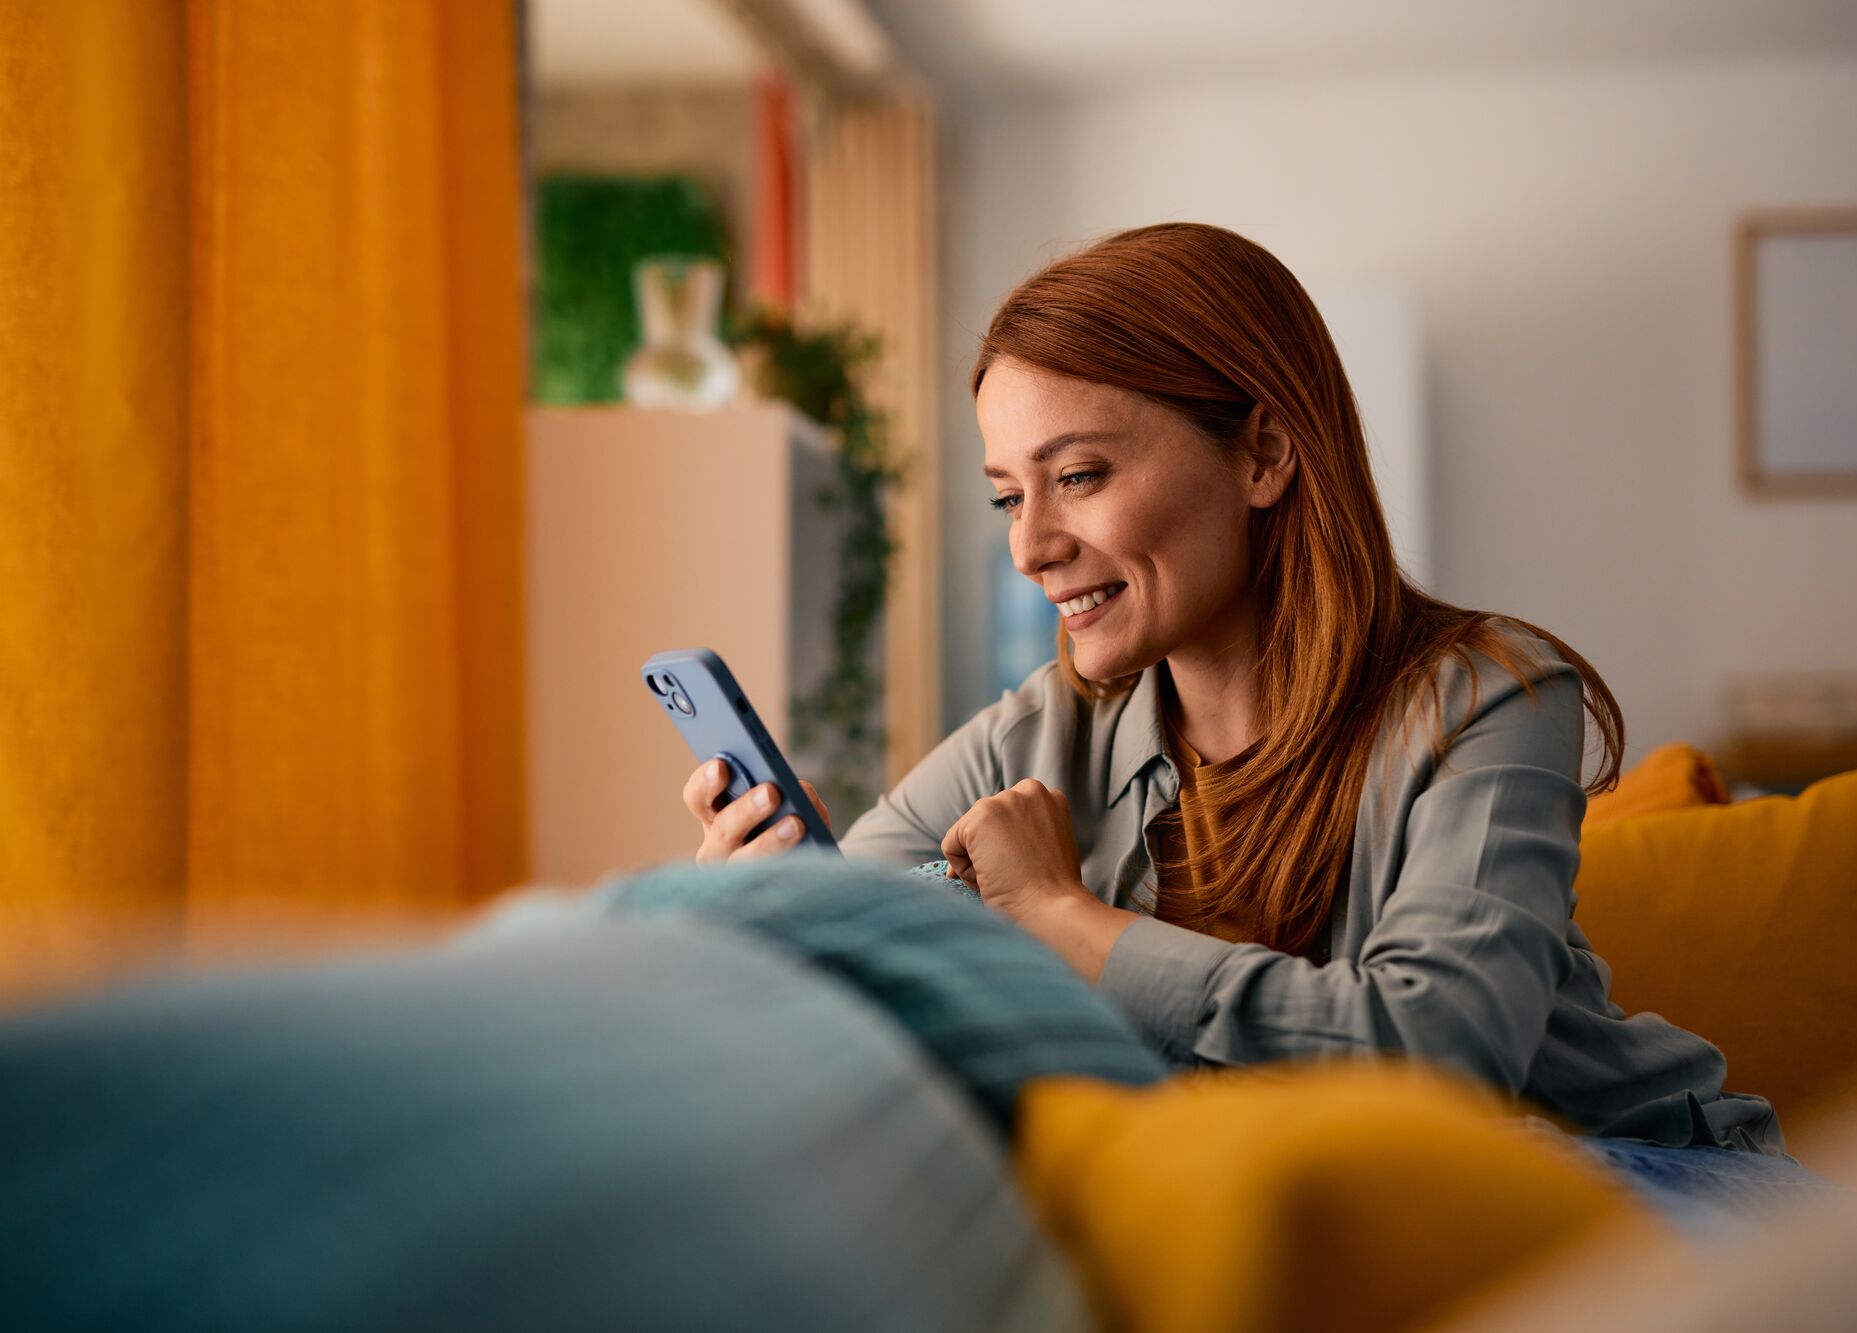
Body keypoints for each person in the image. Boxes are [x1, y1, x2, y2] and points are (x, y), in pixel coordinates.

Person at [682, 221, 1786, 1161]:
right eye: (1008, 496)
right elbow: (867, 951)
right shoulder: (1040, 730)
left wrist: (1067, 919)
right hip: (1309, 1221)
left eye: (1077, 476)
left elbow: (1440, 1056)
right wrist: (781, 913)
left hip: (1617, 1179)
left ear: (1262, 454)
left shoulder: (1487, 697)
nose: (1029, 546)